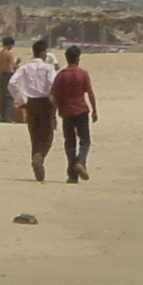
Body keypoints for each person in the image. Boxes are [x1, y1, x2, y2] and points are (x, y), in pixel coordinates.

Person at [7, 39, 59, 181]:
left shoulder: (24, 67)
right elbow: (53, 86)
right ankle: (39, 157)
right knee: (47, 135)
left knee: (34, 135)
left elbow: (12, 83)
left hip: (31, 103)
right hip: (45, 103)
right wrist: (54, 103)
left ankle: (36, 159)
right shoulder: (48, 68)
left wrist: (20, 100)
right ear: (43, 53)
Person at [51, 45, 99, 183]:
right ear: (78, 58)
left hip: (66, 112)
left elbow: (55, 97)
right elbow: (90, 92)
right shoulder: (82, 73)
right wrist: (95, 110)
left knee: (70, 143)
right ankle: (80, 161)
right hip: (81, 110)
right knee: (85, 141)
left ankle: (72, 175)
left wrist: (53, 116)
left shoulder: (61, 75)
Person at [0, 36, 19, 123]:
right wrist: (18, 63)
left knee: (1, 96)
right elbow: (14, 66)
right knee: (9, 96)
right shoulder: (9, 54)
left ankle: (2, 116)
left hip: (1, 75)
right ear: (10, 44)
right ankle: (8, 117)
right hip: (8, 75)